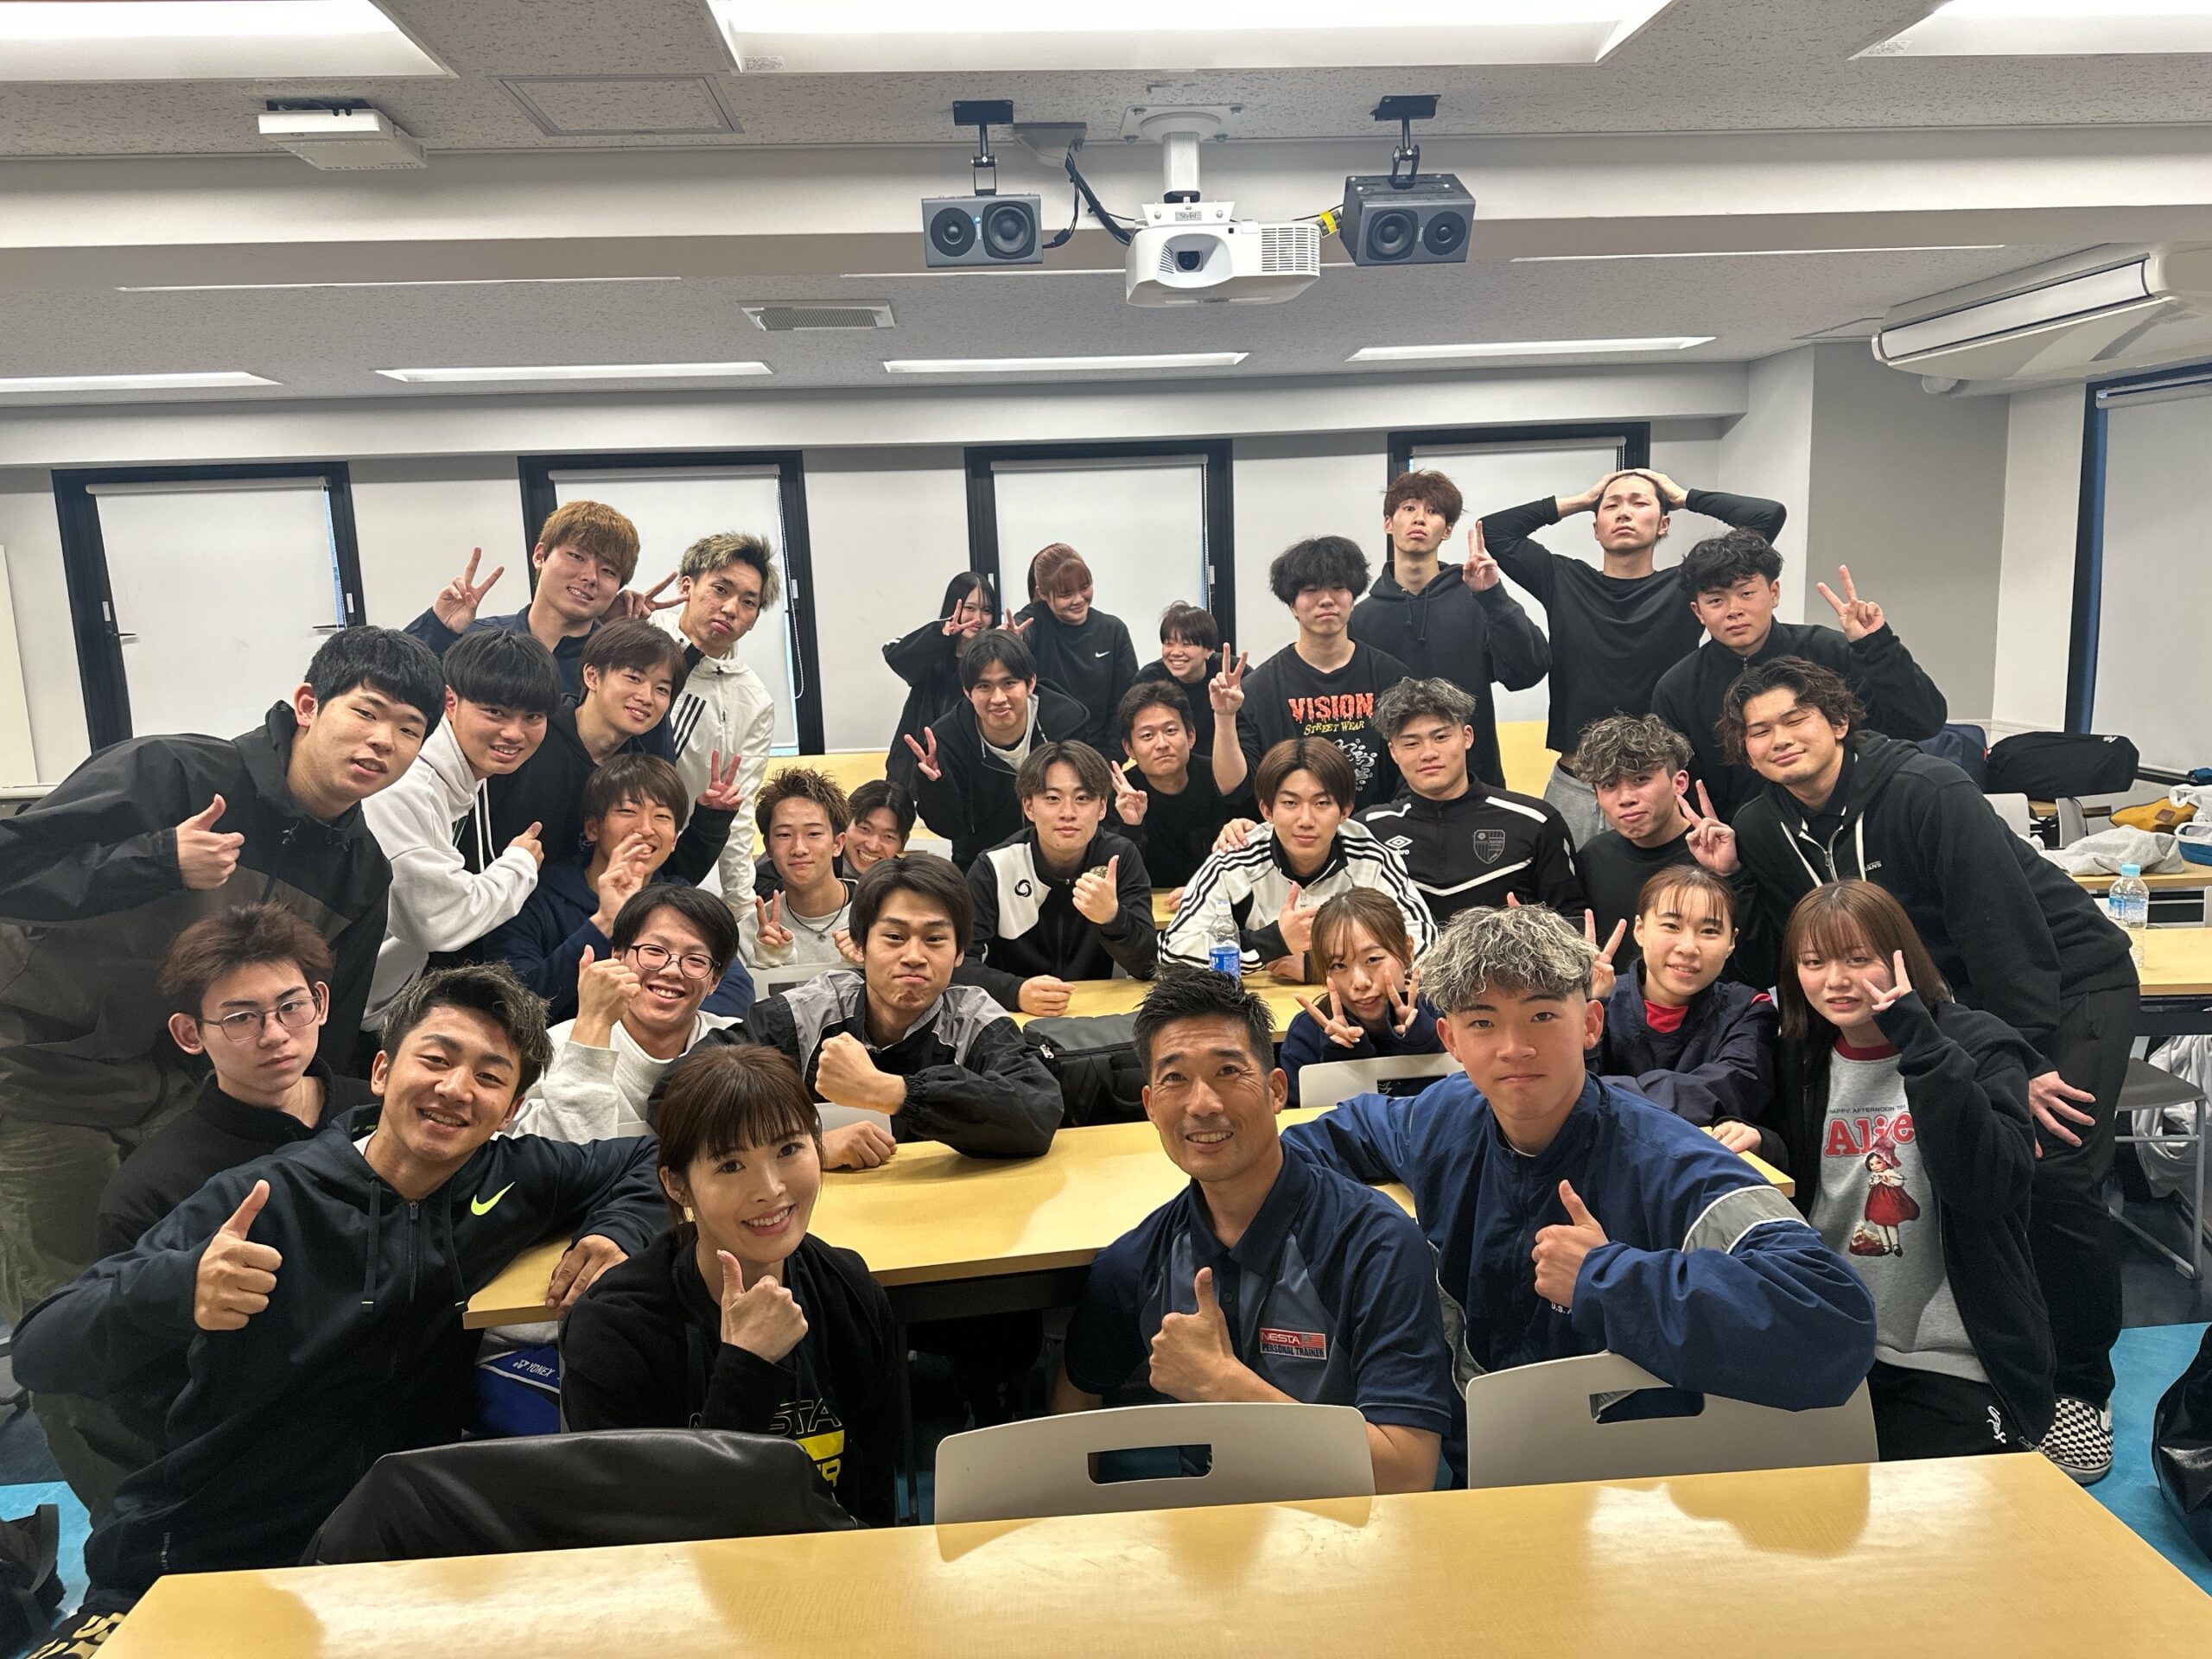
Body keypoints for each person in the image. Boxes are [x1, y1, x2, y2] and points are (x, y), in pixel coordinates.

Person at [10, 963, 665, 1615]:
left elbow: (648, 1161)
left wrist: (617, 1232)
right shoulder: (262, 1198)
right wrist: (179, 1289)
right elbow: (42, 1349)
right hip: (208, 1545)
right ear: (381, 1071)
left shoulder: (511, 1177)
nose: (455, 1089)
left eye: (490, 1077)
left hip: (388, 1542)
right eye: (436, 1059)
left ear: (511, 1111)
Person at [0, 626, 441, 1506]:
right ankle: (143, 1544)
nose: (383, 742)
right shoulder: (173, 774)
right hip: (41, 1077)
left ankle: (225, 1512)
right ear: (308, 705)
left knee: (213, 1296)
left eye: (409, 730)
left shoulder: (359, 866)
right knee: (80, 1325)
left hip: (191, 1093)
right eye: (368, 713)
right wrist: (154, 860)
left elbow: (327, 1029)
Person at [1693, 657, 2138, 1482]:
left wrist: (2015, 1063)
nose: (1780, 739)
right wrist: (1731, 880)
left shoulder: (1928, 790)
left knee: (2052, 1167)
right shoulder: (1759, 826)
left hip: (2063, 979)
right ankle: (1964, 1349)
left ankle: (2079, 1385)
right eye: (1759, 731)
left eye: (1795, 719)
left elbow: (2005, 935)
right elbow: (1791, 951)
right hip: (1922, 1001)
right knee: (1935, 1164)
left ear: (1838, 721)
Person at [1280, 904, 1875, 1476]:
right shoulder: (1443, 1117)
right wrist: (1376, 1237)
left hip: (1627, 1479)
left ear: (1590, 1023)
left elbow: (1833, 1322)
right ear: (1451, 1040)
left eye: (1542, 1016)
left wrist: (1609, 1278)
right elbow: (1315, 1146)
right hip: (1468, 1465)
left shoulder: (1667, 1159)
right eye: (1482, 1022)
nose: (1514, 1048)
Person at [1053, 970, 1452, 1494]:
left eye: (1227, 1071)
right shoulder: (1137, 1261)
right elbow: (1075, 1400)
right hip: (1206, 1523)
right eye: (1175, 1079)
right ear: (1149, 1105)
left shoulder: (1374, 1244)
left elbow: (1407, 1474)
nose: (1203, 1104)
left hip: (1350, 1525)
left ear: (1276, 1090)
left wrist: (1224, 1385)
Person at [1754, 880, 2054, 1461]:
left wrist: (1919, 1040)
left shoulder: (1978, 1045)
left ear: (1901, 958)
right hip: (1829, 1339)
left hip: (1951, 1354)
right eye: (1814, 963)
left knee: (1955, 1507)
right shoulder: (1801, 1055)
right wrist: (1764, 1141)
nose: (1836, 981)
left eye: (1857, 958)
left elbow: (1990, 1188)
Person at [560, 1045, 899, 1525]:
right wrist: (746, 1367)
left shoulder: (847, 1289)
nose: (770, 1189)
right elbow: (650, 1532)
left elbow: (874, 1499)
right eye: (730, 1166)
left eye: (788, 1149)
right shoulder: (615, 1328)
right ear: (677, 1185)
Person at [664, 855, 1061, 1163]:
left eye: (935, 939)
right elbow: (675, 1094)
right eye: (894, 936)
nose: (914, 956)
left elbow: (1038, 1111)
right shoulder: (809, 1013)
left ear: (960, 953)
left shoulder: (974, 1019)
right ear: (859, 944)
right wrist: (803, 1148)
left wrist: (890, 1092)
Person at [1479, 468, 1786, 845]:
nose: (1624, 512)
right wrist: (1583, 499)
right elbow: (1493, 531)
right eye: (1612, 506)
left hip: (1659, 787)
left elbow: (1766, 516)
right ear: (1596, 528)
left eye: (1639, 503)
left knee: (1669, 884)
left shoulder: (1685, 587)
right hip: (1578, 785)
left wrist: (1682, 495)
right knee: (1562, 883)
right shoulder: (1562, 579)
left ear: (1663, 524)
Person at [99, 906, 379, 1259]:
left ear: (320, 1003)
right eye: (242, 1017)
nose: (275, 1035)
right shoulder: (152, 1192)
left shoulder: (383, 1111)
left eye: (291, 1006)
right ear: (190, 1034)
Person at [1653, 531, 1948, 822]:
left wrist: (1876, 646)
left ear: (1774, 593)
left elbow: (1923, 722)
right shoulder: (1678, 688)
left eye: (1746, 593)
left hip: (1856, 823)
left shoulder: (1830, 650)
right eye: (1716, 601)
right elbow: (1682, 787)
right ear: (1698, 611)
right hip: (1744, 838)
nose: (1734, 611)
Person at [360, 626, 563, 1033]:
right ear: (450, 701)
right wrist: (520, 864)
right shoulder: (406, 784)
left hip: (383, 998)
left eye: (533, 717)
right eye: (495, 712)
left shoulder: (469, 774)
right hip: (339, 1004)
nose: (514, 733)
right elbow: (438, 919)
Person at [480, 754, 748, 1025]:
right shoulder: (536, 900)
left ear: (675, 840)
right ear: (592, 828)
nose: (645, 829)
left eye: (662, 816)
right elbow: (515, 1005)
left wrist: (647, 1020)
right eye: (628, 811)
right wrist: (603, 923)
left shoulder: (683, 903)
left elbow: (736, 991)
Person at [478, 618, 738, 878]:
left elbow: (654, 877)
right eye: (634, 678)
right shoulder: (531, 733)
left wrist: (711, 821)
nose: (646, 697)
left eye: (661, 689)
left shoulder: (640, 774)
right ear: (592, 676)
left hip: (584, 904)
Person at [1163, 739, 1433, 982]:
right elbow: (1173, 954)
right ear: (1267, 810)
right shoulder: (1235, 859)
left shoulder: (1370, 858)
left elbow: (1426, 946)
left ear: (1345, 811)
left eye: (1322, 803)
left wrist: (1323, 967)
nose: (1306, 820)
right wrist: (1274, 940)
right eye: (1290, 803)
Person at [1349, 469, 1549, 789]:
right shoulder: (1360, 618)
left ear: (1447, 530)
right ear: (1388, 523)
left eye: (1433, 511)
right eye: (1409, 508)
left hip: (1474, 782)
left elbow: (1528, 672)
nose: (1419, 519)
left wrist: (1494, 596)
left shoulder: (1477, 599)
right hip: (1388, 790)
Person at [512, 887, 745, 1143]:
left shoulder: (737, 1044)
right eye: (655, 951)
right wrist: (593, 1026)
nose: (671, 970)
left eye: (696, 960)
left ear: (714, 981)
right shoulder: (551, 1050)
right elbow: (554, 1159)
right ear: (618, 956)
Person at [1357, 677, 1584, 925]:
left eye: (1441, 737)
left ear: (1467, 737)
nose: (1429, 753)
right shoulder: (1366, 832)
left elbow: (1575, 921)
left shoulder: (1535, 822)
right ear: (1393, 752)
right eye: (1411, 743)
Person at [1217, 537, 1414, 811]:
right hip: (1296, 831)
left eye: (1338, 588)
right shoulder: (1260, 689)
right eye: (1311, 590)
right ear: (1292, 605)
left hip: (1376, 829)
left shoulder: (1393, 678)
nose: (1327, 600)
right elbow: (1233, 788)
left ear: (1353, 599)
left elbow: (1413, 769)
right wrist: (1224, 717)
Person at [966, 742, 1157, 1015]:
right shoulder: (995, 866)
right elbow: (958, 964)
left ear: (1102, 807)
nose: (1068, 812)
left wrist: (1112, 918)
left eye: (1083, 798)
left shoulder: (1119, 858)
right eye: (1053, 798)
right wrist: (1015, 991)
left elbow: (1148, 965)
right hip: (1016, 1019)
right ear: (1029, 807)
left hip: (1096, 1017)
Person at [1586, 868, 1775, 1135]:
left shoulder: (1749, 1009)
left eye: (1709, 931)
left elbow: (1731, 1090)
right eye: (1671, 926)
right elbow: (1558, 1087)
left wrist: (1597, 1092)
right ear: (1640, 930)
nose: (1688, 947)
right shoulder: (1600, 1000)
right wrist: (1580, 1008)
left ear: (1731, 942)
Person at [405, 501, 643, 696]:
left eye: (608, 571)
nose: (590, 577)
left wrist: (625, 634)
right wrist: (438, 628)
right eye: (576, 556)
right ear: (540, 556)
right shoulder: (474, 641)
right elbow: (397, 690)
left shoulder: (618, 665)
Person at [658, 532, 779, 900]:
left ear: (754, 619)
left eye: (748, 602)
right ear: (686, 586)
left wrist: (741, 904)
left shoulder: (753, 701)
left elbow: (736, 812)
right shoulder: (635, 639)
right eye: (720, 590)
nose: (730, 609)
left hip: (670, 862)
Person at [906, 627, 1090, 869]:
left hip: (1060, 859)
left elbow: (1087, 802)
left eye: (1009, 683)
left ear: (1030, 683)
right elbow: (950, 828)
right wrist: (935, 785)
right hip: (982, 865)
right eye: (984, 686)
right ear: (967, 692)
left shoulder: (1067, 723)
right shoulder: (946, 740)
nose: (998, 698)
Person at [1278, 891, 1444, 1106]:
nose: (1360, 982)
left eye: (1373, 959)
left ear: (1407, 951)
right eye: (1339, 966)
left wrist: (1423, 1039)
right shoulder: (1307, 1036)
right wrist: (1342, 1055)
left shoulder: (1446, 1012)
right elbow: (1302, 1121)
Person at [1572, 714, 1700, 977]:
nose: (1626, 798)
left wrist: (1733, 873)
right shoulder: (1593, 857)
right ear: (1596, 795)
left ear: (1679, 783)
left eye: (1641, 779)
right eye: (1609, 785)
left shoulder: (1718, 855)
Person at [1015, 543, 1140, 755]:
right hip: (1045, 756)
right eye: (1066, 594)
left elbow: (1125, 703)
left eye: (1085, 587)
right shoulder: (1037, 620)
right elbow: (1021, 629)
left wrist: (1111, 761)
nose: (1079, 599)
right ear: (1043, 593)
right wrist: (1010, 639)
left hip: (1099, 755)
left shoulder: (1113, 630)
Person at [1109, 681, 1235, 890]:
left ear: (1191, 736)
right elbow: (1117, 877)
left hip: (1217, 896)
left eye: (1170, 730)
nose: (1161, 744)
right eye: (1147, 735)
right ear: (1129, 748)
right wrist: (1132, 826)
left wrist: (1200, 892)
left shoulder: (1220, 778)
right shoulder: (1120, 796)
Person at [884, 573, 995, 794]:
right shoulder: (932, 651)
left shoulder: (994, 662)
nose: (978, 618)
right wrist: (940, 634)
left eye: (987, 610)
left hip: (968, 773)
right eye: (970, 608)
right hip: (915, 771)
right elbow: (895, 656)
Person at [740, 768, 858, 975]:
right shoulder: (749, 934)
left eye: (813, 833)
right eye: (784, 835)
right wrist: (765, 964)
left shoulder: (880, 916)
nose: (799, 848)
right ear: (768, 847)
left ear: (838, 844)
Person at [753, 779, 914, 901]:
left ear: (902, 843)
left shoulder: (903, 884)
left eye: (888, 836)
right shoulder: (809, 850)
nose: (872, 846)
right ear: (844, 823)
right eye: (865, 829)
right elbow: (757, 884)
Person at [1135, 601, 1224, 761]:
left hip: (1221, 764)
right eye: (1168, 643)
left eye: (1186, 644)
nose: (1175, 652)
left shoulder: (1230, 673)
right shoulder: (1148, 680)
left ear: (1209, 649)